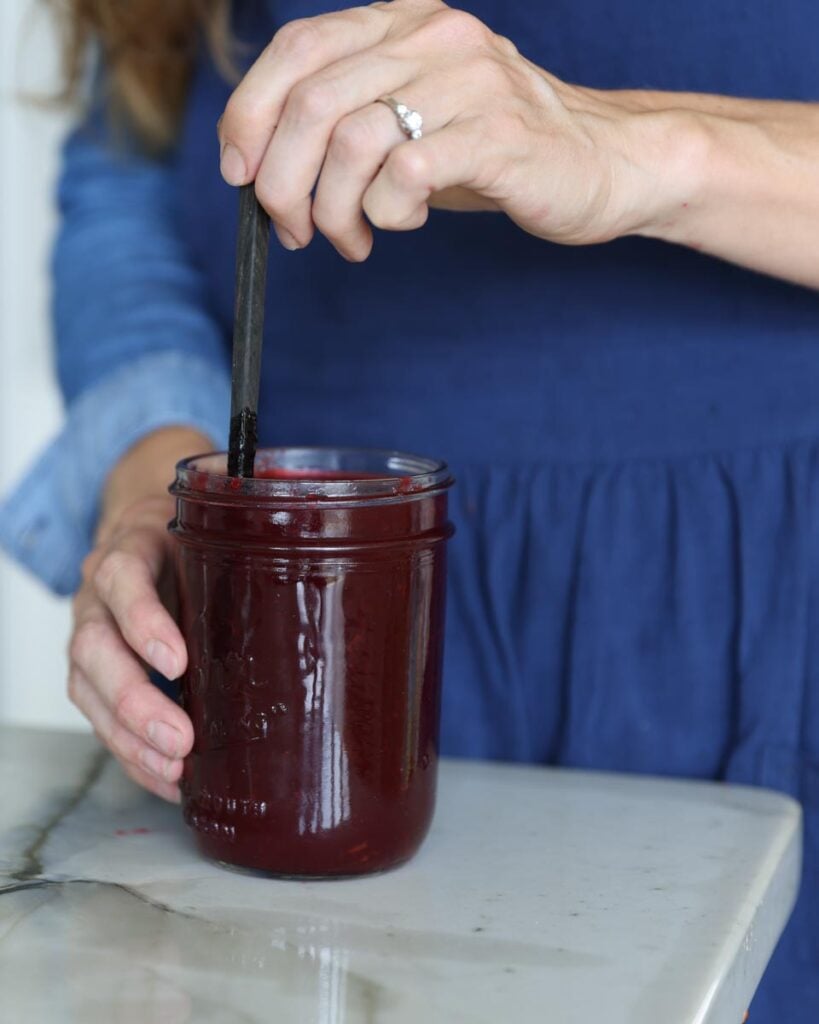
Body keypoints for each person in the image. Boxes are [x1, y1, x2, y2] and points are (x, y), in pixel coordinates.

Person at [1, 0, 818, 1015]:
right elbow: (130, 184)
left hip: (759, 613)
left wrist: (637, 146)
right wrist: (154, 470)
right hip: (305, 633)